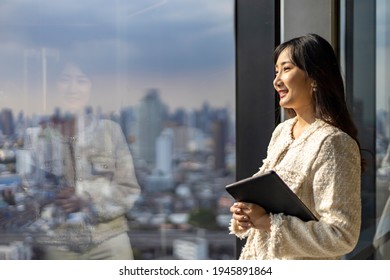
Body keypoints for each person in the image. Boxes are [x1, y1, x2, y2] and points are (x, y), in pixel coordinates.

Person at [229, 34, 363, 260]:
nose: (277, 80)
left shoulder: (332, 142)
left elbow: (342, 236)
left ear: (315, 77)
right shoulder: (282, 132)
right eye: (276, 72)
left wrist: (267, 222)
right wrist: (249, 214)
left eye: (286, 69)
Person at [25, 59, 141, 259]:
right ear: (55, 86)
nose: (73, 88)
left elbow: (128, 190)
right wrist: (52, 197)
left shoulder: (110, 131)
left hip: (108, 239)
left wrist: (87, 199)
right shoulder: (36, 137)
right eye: (65, 80)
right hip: (58, 242)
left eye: (81, 80)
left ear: (91, 87)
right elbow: (28, 193)